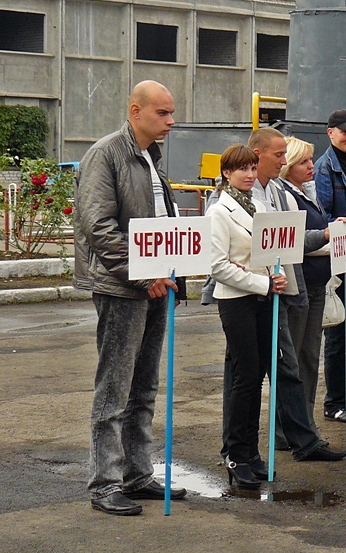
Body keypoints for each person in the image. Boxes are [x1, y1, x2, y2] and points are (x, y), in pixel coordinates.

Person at [74, 80, 186, 516]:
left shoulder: (150, 159)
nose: (171, 122)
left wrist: (169, 272)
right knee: (114, 390)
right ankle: (105, 483)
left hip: (157, 285)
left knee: (144, 386)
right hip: (124, 289)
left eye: (172, 112)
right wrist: (143, 276)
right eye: (162, 113)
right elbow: (98, 226)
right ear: (135, 110)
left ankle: (137, 475)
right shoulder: (107, 154)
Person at [242, 128, 345, 464]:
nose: (285, 161)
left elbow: (291, 239)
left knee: (292, 366)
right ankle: (244, 450)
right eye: (280, 155)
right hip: (253, 294)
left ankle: (301, 436)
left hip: (289, 287)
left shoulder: (280, 192)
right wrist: (325, 236)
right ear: (257, 154)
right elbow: (247, 244)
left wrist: (326, 237)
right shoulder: (236, 195)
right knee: (250, 373)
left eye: (289, 155)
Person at [208, 145, 289, 489]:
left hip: (264, 297)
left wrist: (275, 275)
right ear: (226, 172)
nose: (249, 174)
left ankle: (252, 451)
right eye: (241, 168)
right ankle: (236, 454)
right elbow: (218, 265)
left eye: (253, 168)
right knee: (244, 376)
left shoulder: (260, 204)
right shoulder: (219, 211)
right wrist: (262, 282)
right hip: (238, 299)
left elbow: (271, 249)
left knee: (257, 376)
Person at [279, 137, 336, 433]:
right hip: (297, 286)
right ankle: (290, 427)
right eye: (303, 161)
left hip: (315, 285)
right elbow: (293, 241)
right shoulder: (287, 196)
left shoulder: (306, 192)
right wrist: (327, 237)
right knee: (295, 358)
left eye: (311, 160)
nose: (311, 166)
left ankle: (305, 423)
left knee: (310, 358)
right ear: (288, 165)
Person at [313, 109, 346, 423]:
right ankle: (334, 402)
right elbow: (323, 217)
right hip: (336, 259)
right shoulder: (324, 168)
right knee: (338, 331)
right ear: (330, 133)